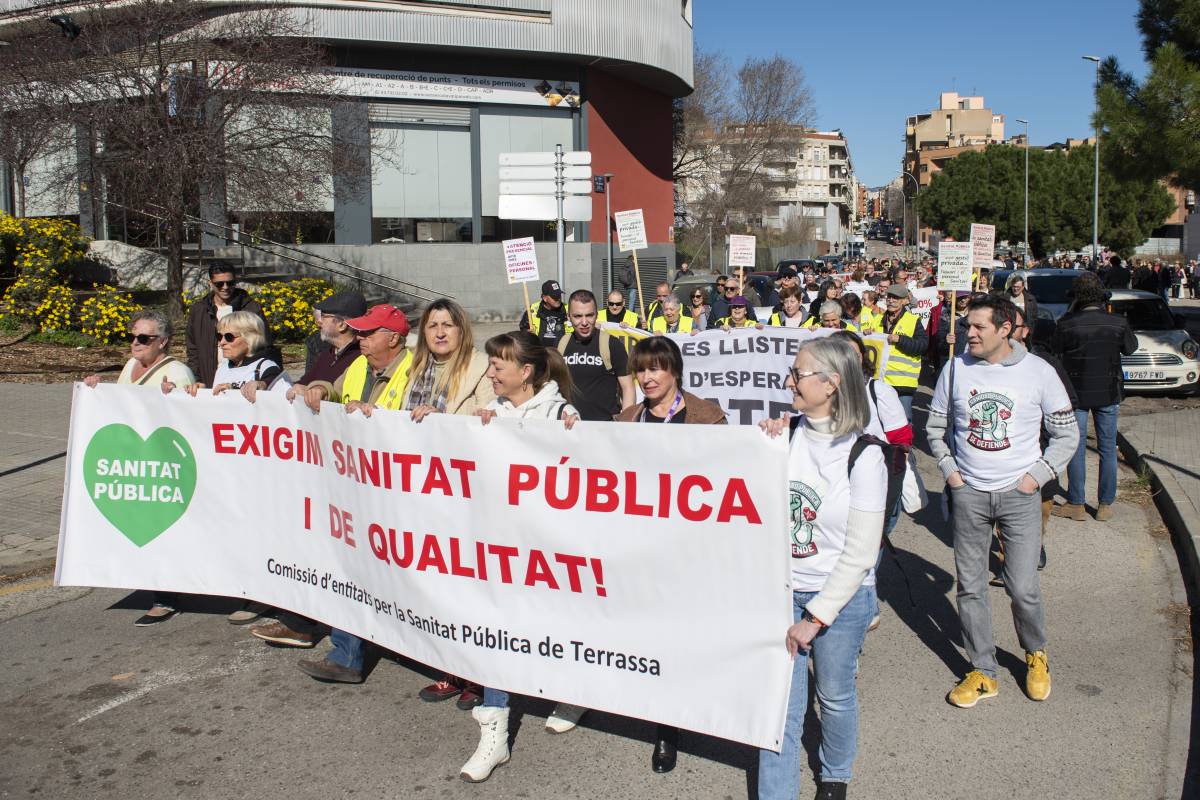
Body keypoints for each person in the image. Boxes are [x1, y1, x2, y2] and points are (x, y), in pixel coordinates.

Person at [926, 295, 1078, 709]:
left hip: (1019, 495)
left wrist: (1035, 478)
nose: (969, 333)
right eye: (967, 326)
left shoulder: (1039, 372)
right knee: (971, 587)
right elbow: (935, 428)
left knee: (1023, 587)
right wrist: (951, 473)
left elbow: (1067, 435)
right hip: (969, 494)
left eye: (979, 327)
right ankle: (983, 670)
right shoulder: (955, 369)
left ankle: (1035, 653)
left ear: (1005, 329)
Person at [757, 337, 888, 800]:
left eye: (798, 373)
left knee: (833, 697)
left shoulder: (865, 455)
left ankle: (834, 776)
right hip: (781, 593)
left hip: (841, 598)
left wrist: (815, 617)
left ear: (831, 384)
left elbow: (861, 554)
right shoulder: (781, 436)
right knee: (780, 708)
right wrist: (764, 440)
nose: (789, 381)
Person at [460, 331, 581, 783]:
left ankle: (575, 692)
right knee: (496, 629)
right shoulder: (490, 413)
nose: (490, 373)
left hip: (547, 550)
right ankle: (495, 731)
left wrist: (573, 436)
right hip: (499, 548)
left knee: (556, 625)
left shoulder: (560, 415)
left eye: (498, 366)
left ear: (525, 372)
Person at [614, 336, 726, 773]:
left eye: (656, 368)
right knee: (656, 638)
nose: (647, 377)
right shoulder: (627, 420)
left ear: (675, 370)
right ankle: (667, 728)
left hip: (692, 551)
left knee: (689, 637)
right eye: (640, 370)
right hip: (643, 550)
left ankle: (707, 705)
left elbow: (732, 476)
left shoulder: (707, 417)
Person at [293, 304, 414, 684]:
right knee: (351, 564)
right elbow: (335, 388)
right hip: (357, 484)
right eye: (359, 332)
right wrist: (318, 388)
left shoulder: (414, 370)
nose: (359, 338)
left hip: (396, 489)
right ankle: (346, 653)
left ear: (393, 339)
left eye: (368, 333)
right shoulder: (360, 365)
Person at [248, 292, 366, 648]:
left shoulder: (357, 358)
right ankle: (300, 617)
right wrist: (266, 386)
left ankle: (308, 624)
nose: (318, 321)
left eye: (325, 316)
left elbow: (333, 395)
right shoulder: (328, 354)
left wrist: (316, 391)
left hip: (344, 466)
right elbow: (304, 385)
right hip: (320, 462)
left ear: (342, 324)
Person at [398, 299, 496, 709]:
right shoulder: (416, 367)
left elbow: (491, 419)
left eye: (448, 325)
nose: (440, 332)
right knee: (440, 587)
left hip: (465, 493)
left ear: (462, 330)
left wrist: (441, 423)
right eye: (432, 325)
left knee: (470, 587)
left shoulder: (481, 366)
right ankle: (450, 666)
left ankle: (479, 675)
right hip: (425, 491)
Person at [84, 309, 196, 627]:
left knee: (164, 530)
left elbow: (187, 419)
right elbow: (121, 404)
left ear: (163, 341)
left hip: (164, 464)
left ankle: (166, 597)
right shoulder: (130, 366)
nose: (136, 343)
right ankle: (154, 586)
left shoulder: (177, 372)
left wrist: (173, 398)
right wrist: (97, 390)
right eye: (133, 336)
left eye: (144, 338)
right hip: (135, 462)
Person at [1050, 273, 1137, 522]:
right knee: (1108, 449)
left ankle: (1076, 503)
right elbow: (1130, 348)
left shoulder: (1067, 323)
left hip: (1076, 393)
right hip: (1108, 391)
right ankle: (1105, 505)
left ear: (1076, 296)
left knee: (1076, 447)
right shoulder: (1117, 322)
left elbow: (1054, 351)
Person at [185, 262, 273, 386]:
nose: (225, 287)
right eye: (219, 284)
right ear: (210, 283)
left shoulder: (252, 308)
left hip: (244, 379)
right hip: (209, 380)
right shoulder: (199, 310)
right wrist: (196, 379)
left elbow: (265, 345)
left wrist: (263, 380)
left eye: (230, 283)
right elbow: (193, 350)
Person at [559, 290, 635, 421]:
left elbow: (628, 388)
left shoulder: (613, 345)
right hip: (569, 427)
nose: (584, 322)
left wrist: (625, 423)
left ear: (597, 315)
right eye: (577, 316)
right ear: (569, 317)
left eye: (589, 315)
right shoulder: (560, 344)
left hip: (605, 427)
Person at [878, 284, 928, 421]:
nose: (891, 300)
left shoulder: (913, 321)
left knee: (904, 420)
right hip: (881, 381)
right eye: (889, 297)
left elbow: (922, 346)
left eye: (895, 298)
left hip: (902, 383)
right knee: (881, 419)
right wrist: (868, 333)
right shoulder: (877, 320)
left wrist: (900, 340)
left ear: (905, 301)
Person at [519, 280, 570, 346]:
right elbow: (523, 329)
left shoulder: (569, 310)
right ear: (544, 298)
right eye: (554, 296)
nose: (558, 298)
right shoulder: (532, 310)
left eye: (559, 295)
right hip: (539, 350)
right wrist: (527, 334)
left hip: (561, 350)